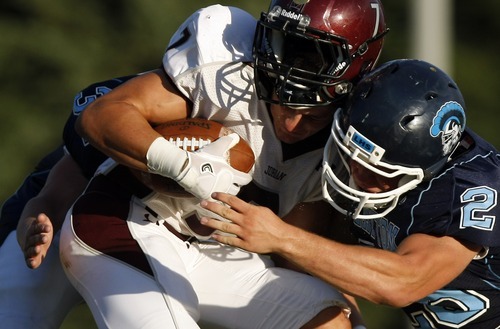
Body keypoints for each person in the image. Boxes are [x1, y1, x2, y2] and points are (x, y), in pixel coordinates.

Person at [60, 1, 388, 328]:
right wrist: (181, 167)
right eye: (282, 101)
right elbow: (102, 116)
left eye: (311, 115)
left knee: (329, 319)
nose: (290, 124)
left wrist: (350, 308)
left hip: (217, 256)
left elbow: (294, 250)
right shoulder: (226, 71)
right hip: (131, 221)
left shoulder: (342, 142)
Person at [200, 59, 500, 328]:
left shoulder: (471, 187)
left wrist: (281, 237)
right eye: (353, 156)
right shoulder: (347, 154)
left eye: (382, 171)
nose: (359, 174)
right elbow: (314, 253)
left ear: (425, 168)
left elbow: (403, 282)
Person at [0, 75, 136, 328]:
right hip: (60, 224)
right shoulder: (122, 107)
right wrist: (32, 233)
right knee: (18, 317)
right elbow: (51, 200)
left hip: (147, 231)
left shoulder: (225, 117)